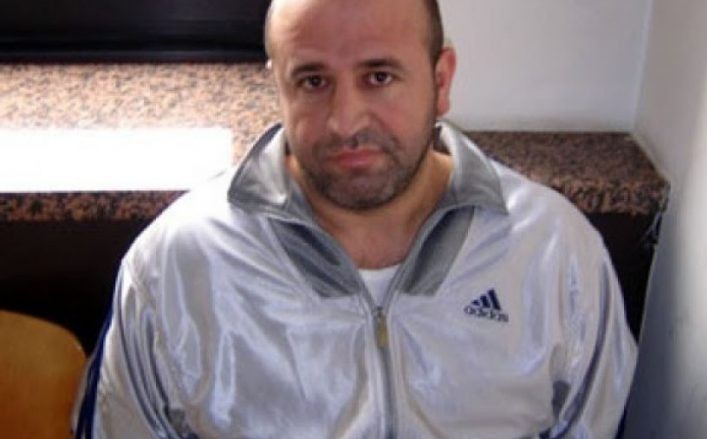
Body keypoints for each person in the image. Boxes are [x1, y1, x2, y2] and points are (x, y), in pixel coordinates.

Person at [73, 0, 637, 437]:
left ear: (441, 80)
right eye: (313, 81)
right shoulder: (172, 269)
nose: (345, 122)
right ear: (278, 86)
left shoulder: (554, 253)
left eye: (379, 77)